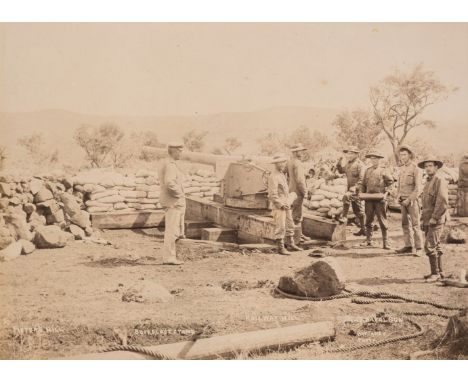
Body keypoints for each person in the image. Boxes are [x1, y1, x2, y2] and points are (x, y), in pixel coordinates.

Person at [418, 158, 449, 282]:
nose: (428, 168)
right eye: (426, 166)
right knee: (436, 245)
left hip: (435, 219)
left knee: (429, 246)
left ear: (436, 167)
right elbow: (425, 203)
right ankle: (439, 272)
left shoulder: (439, 180)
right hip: (428, 218)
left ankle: (435, 274)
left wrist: (435, 217)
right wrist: (422, 219)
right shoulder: (428, 181)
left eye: (431, 165)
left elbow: (442, 201)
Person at [358, 150, 394, 249]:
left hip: (380, 199)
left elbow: (391, 183)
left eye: (376, 159)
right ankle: (369, 240)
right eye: (372, 159)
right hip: (368, 199)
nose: (373, 161)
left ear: (379, 160)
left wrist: (387, 193)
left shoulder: (384, 170)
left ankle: (385, 242)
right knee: (368, 220)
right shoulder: (367, 170)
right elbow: (363, 184)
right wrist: (361, 192)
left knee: (382, 221)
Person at [158, 142, 186, 265]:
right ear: (173, 151)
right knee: (172, 230)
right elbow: (170, 183)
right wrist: (179, 194)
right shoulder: (170, 165)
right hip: (173, 202)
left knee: (173, 229)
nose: (181, 153)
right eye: (179, 151)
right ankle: (169, 257)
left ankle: (171, 255)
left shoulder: (168, 163)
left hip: (172, 201)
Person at [268, 154, 301, 255]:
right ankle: (280, 247)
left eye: (283, 162)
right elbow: (272, 195)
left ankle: (291, 244)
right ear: (275, 164)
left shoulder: (282, 174)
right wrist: (281, 205)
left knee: (290, 223)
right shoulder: (273, 176)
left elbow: (285, 191)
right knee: (281, 226)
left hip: (286, 203)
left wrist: (288, 202)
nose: (282, 164)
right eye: (280, 163)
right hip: (279, 206)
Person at [395, 145, 423, 256]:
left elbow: (418, 188)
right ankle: (408, 245)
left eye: (404, 154)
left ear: (410, 155)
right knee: (405, 224)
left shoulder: (416, 169)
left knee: (415, 225)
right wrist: (398, 196)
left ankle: (419, 248)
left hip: (412, 201)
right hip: (403, 201)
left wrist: (409, 199)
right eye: (401, 155)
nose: (402, 157)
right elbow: (399, 185)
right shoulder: (402, 169)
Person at [335, 146, 366, 236]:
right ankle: (363, 230)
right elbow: (341, 171)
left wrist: (355, 187)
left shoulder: (360, 165)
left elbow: (362, 179)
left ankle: (344, 217)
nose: (350, 155)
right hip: (350, 189)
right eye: (349, 153)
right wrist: (339, 161)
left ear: (357, 154)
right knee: (358, 211)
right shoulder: (348, 164)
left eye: (352, 153)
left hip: (358, 190)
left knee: (346, 197)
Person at [287, 144, 309, 242]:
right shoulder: (298, 163)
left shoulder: (290, 162)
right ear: (296, 152)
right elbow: (300, 180)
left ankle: (299, 234)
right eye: (301, 151)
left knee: (293, 212)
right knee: (297, 214)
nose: (302, 153)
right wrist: (305, 192)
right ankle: (296, 236)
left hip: (291, 190)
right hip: (298, 192)